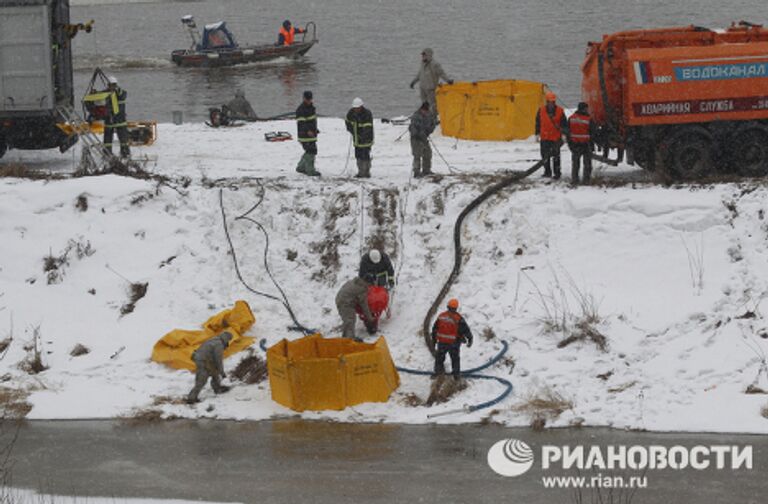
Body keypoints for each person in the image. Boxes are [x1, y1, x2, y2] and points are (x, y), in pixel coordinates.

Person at [431, 298, 473, 380]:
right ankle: (456, 375)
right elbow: (465, 330)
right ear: (456, 308)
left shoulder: (441, 316)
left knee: (439, 358)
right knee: (455, 359)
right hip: (453, 344)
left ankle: (437, 373)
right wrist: (470, 339)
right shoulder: (458, 318)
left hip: (442, 343)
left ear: (448, 306)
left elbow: (435, 329)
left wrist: (434, 340)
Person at [186, 331, 233, 404]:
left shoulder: (214, 339)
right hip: (203, 361)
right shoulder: (219, 345)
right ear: (226, 339)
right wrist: (222, 372)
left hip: (202, 358)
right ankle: (191, 398)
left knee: (215, 371)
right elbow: (218, 360)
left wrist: (218, 370)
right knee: (202, 379)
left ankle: (217, 388)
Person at [409, 48, 453, 114]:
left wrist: (448, 80)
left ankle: (435, 117)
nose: (423, 56)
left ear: (429, 55)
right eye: (422, 55)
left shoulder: (435, 64)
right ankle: (427, 117)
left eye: (424, 55)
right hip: (422, 89)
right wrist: (413, 82)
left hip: (431, 89)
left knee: (433, 105)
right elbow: (419, 75)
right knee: (425, 104)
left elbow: (441, 73)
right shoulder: (422, 64)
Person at [535, 92, 568, 179]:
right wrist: (537, 133)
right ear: (547, 101)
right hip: (544, 137)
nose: (551, 104)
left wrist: (564, 134)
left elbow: (564, 124)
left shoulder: (560, 111)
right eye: (549, 102)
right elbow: (538, 123)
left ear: (554, 102)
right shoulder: (541, 110)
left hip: (555, 138)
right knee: (545, 157)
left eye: (552, 102)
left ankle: (557, 173)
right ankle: (547, 172)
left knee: (556, 157)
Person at [336, 274, 376, 340]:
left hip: (340, 299)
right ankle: (349, 340)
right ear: (368, 282)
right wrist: (370, 318)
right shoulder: (362, 288)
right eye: (370, 284)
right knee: (350, 320)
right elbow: (364, 306)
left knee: (347, 321)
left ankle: (345, 338)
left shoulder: (354, 281)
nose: (370, 286)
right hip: (346, 303)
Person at [345, 97, 374, 178]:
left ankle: (366, 172)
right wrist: (352, 131)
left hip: (366, 140)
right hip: (357, 140)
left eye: (357, 108)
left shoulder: (367, 114)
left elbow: (368, 128)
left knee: (365, 156)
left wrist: (362, 136)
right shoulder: (351, 113)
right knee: (358, 156)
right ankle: (361, 172)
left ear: (361, 106)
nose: (356, 109)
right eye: (355, 108)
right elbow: (347, 121)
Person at [101, 75, 130, 158]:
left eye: (114, 85)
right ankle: (107, 154)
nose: (112, 87)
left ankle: (125, 153)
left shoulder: (121, 93)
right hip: (109, 120)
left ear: (116, 85)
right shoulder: (105, 93)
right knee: (107, 140)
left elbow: (122, 94)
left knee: (123, 139)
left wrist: (116, 90)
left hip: (120, 120)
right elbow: (99, 98)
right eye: (110, 85)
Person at [567, 102, 595, 185]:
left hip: (575, 144)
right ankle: (586, 180)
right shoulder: (589, 119)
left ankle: (575, 180)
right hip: (586, 144)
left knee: (575, 164)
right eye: (586, 108)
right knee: (587, 164)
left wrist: (570, 144)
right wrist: (592, 145)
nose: (587, 110)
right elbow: (593, 133)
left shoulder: (571, 118)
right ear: (584, 109)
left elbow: (568, 132)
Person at [295, 90, 321, 176]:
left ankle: (301, 167)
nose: (309, 101)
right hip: (304, 135)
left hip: (312, 134)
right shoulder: (301, 109)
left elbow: (311, 121)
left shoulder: (311, 108)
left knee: (309, 151)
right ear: (304, 99)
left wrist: (315, 129)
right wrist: (308, 131)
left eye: (310, 99)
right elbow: (302, 123)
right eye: (308, 99)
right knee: (311, 151)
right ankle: (310, 170)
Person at [409, 102, 436, 178]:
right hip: (416, 139)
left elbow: (431, 126)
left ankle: (426, 170)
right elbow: (412, 129)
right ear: (421, 109)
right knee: (417, 155)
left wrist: (429, 130)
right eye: (424, 111)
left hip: (424, 138)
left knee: (428, 154)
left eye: (427, 111)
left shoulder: (429, 116)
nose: (425, 112)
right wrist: (420, 133)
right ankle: (416, 172)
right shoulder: (415, 116)